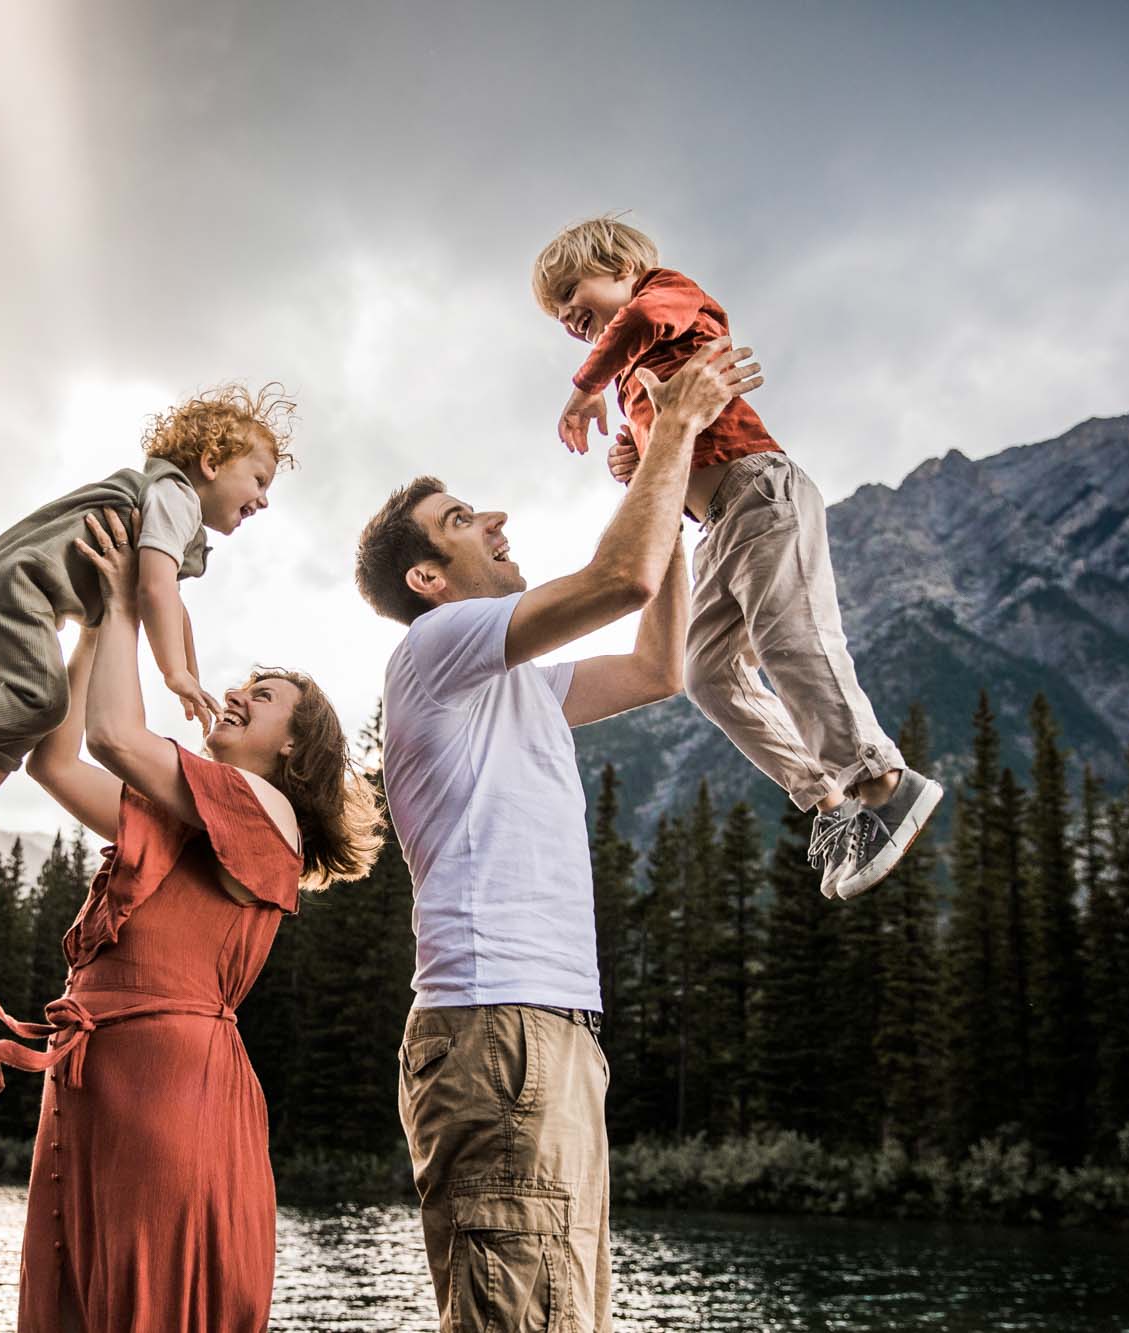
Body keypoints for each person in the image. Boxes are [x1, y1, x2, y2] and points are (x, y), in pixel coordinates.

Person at [355, 338, 759, 1332]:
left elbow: (657, 662)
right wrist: (669, 434)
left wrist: (661, 472)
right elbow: (618, 578)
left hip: (540, 1032)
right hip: (501, 1029)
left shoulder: (511, 685)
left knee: (556, 1315)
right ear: (427, 578)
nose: (493, 519)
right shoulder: (433, 647)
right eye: (460, 521)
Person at [0, 508, 383, 1332]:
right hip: (95, 1082)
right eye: (244, 685)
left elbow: (116, 735)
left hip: (168, 1089)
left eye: (261, 698)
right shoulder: (189, 815)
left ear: (294, 752)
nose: (235, 693)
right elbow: (56, 759)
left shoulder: (266, 808)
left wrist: (128, 599)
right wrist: (92, 621)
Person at [534, 214, 942, 898]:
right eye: (558, 314)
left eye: (571, 294)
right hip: (716, 524)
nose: (568, 316)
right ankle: (832, 802)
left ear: (618, 267)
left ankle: (882, 781)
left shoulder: (667, 295)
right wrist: (635, 453)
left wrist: (583, 390)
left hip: (759, 488)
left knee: (792, 638)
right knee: (706, 671)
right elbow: (668, 453)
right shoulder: (632, 372)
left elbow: (637, 322)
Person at [0, 384, 294, 901]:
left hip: (20, 594)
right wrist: (171, 673)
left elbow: (173, 605)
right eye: (259, 479)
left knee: (22, 709)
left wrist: (189, 674)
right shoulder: (175, 498)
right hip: (18, 589)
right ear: (211, 462)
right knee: (40, 700)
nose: (263, 499)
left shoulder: (173, 518)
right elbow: (153, 589)